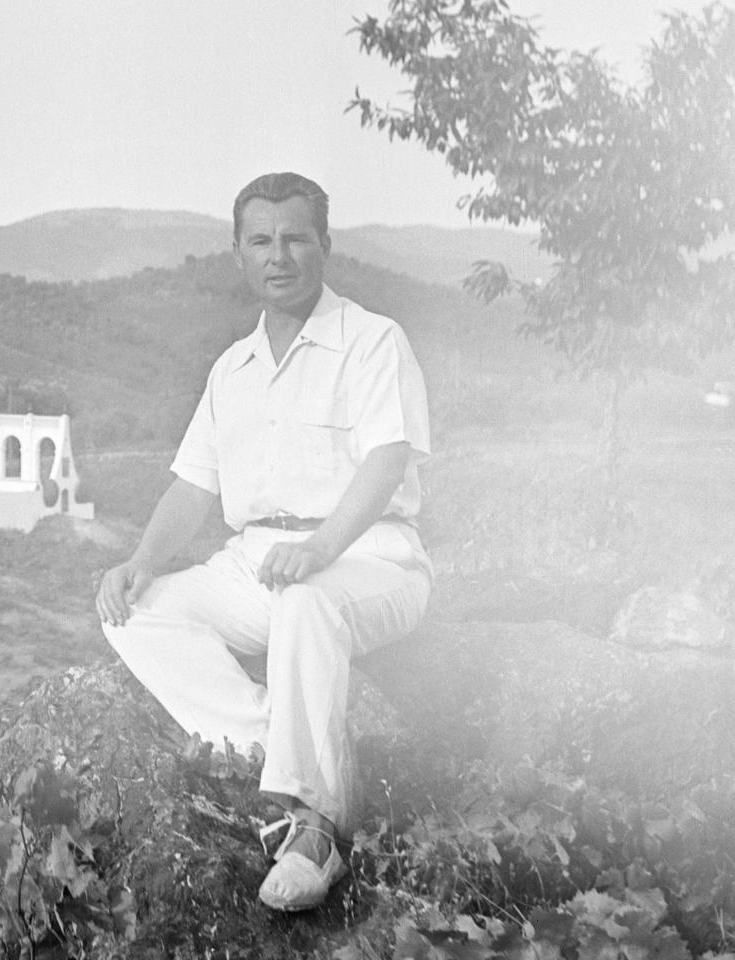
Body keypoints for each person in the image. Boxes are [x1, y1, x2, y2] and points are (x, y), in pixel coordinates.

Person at [94, 172, 432, 912]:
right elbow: (192, 487)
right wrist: (141, 561)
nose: (279, 255)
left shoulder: (372, 342)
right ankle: (272, 742)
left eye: (294, 237)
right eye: (260, 240)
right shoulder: (232, 369)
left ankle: (316, 831)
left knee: (309, 599)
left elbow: (386, 462)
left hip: (369, 558)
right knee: (135, 608)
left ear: (325, 246)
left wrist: (319, 550)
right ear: (239, 253)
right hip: (255, 566)